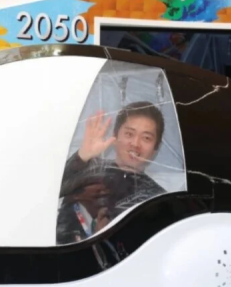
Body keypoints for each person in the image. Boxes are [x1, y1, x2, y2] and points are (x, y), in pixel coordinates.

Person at [57, 101, 166, 244]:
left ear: (156, 148)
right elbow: (47, 195)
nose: (135, 143)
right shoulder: (84, 167)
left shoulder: (157, 198)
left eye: (146, 138)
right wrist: (82, 155)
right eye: (129, 134)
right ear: (115, 136)